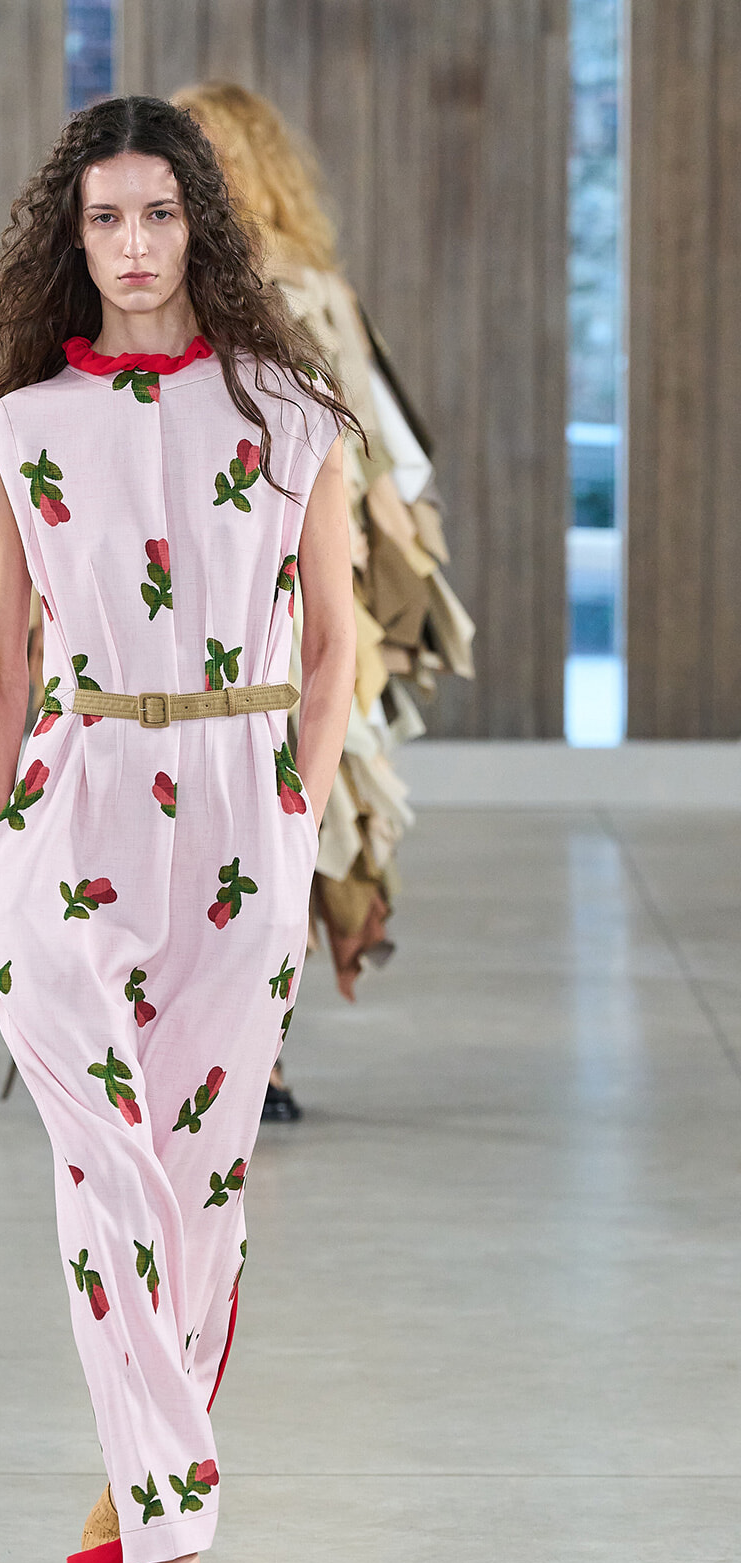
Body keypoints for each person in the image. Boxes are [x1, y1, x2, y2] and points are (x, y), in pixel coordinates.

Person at [0, 95, 357, 1563]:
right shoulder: (21, 428)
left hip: (242, 842)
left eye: (160, 218)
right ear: (76, 232)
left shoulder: (295, 416)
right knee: (107, 1172)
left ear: (202, 227)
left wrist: (305, 803)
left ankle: (140, 1469)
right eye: (107, 220)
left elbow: (332, 638)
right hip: (73, 827)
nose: (133, 248)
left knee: (197, 1197)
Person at [174, 83, 475, 1065]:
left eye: (208, 150)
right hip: (185, 585)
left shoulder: (308, 292)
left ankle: (262, 1050)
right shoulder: (162, 286)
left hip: (297, 577)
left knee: (302, 793)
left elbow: (374, 455)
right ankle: (219, 1043)